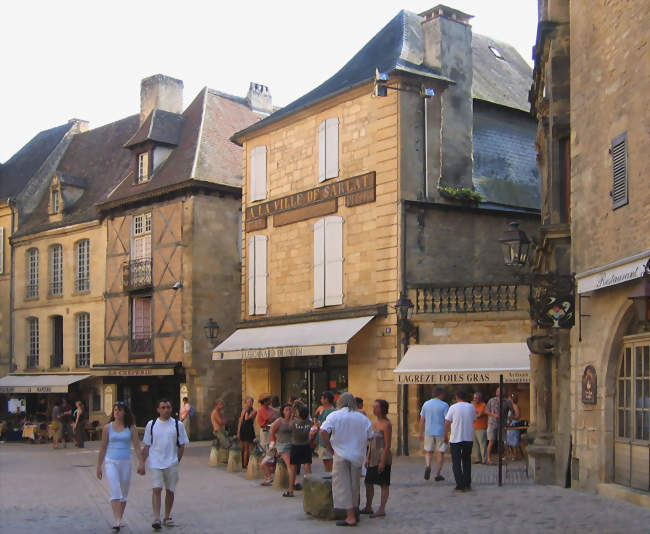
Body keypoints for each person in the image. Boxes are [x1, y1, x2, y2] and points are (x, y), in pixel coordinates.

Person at [320, 392, 373, 527]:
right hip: (357, 456)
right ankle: (355, 512)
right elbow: (371, 437)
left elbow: (323, 431)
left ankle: (350, 516)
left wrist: (329, 446)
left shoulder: (335, 416)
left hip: (341, 454)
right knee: (354, 485)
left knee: (343, 486)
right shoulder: (362, 418)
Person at [96, 402, 145, 532]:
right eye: (115, 410)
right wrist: (99, 466)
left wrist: (141, 462)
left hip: (125, 462)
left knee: (123, 493)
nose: (117, 412)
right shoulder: (107, 427)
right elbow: (103, 447)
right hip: (111, 461)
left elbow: (136, 445)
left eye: (120, 410)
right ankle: (117, 521)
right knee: (114, 490)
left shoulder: (131, 427)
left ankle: (119, 517)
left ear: (125, 412)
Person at [142, 398, 190, 530]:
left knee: (170, 490)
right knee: (156, 489)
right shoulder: (151, 425)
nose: (166, 410)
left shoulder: (177, 425)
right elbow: (146, 445)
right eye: (163, 407)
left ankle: (167, 516)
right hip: (156, 462)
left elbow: (182, 444)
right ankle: (156, 517)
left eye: (168, 407)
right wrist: (142, 462)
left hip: (171, 462)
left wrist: (177, 460)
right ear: (158, 409)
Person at [361, 399, 392, 518]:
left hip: (382, 456)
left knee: (384, 483)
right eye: (373, 407)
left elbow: (387, 445)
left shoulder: (386, 424)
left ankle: (382, 508)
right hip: (373, 456)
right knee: (368, 482)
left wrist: (383, 462)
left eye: (376, 407)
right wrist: (367, 457)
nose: (374, 409)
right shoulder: (373, 423)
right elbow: (371, 442)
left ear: (382, 409)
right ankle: (368, 506)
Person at [444, 387, 476, 493]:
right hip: (468, 437)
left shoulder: (453, 407)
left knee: (456, 462)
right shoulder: (471, 407)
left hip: (455, 438)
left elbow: (447, 422)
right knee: (466, 461)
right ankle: (467, 483)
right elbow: (474, 419)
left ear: (457, 397)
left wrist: (445, 435)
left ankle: (459, 485)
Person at [418, 386, 449, 481]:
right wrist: (446, 434)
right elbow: (447, 420)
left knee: (429, 451)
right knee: (441, 452)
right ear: (441, 394)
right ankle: (437, 474)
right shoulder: (444, 405)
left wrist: (421, 433)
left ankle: (428, 465)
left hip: (428, 431)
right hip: (440, 431)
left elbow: (422, 420)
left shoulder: (426, 404)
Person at [285, 404, 312, 497]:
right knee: (307, 467)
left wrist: (292, 414)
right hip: (306, 445)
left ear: (299, 414)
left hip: (296, 446)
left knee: (293, 469)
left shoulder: (294, 423)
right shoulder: (309, 423)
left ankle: (290, 490)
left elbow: (289, 424)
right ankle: (311, 489)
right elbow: (308, 416)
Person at [486, 386, 514, 464]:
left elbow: (512, 412)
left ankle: (501, 458)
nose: (497, 392)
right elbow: (486, 411)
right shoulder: (491, 400)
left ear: (503, 392)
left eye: (499, 391)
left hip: (502, 424)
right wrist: (493, 415)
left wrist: (509, 421)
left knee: (502, 441)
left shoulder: (507, 402)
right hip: (492, 423)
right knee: (491, 441)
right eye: (497, 390)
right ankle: (488, 459)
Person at [268, 403, 293, 493]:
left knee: (294, 465)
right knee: (290, 465)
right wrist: (274, 443)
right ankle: (293, 485)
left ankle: (292, 482)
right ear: (282, 411)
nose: (289, 411)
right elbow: (272, 431)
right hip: (283, 445)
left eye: (290, 409)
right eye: (286, 409)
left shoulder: (292, 420)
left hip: (292, 444)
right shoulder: (279, 421)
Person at [257, 393, 277, 485]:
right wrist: (272, 418)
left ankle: (268, 475)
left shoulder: (270, 409)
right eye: (268, 400)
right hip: (265, 431)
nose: (270, 401)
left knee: (270, 450)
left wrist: (272, 418)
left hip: (270, 430)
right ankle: (268, 475)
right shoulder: (261, 410)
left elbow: (274, 417)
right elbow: (269, 418)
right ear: (264, 401)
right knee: (267, 449)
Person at [314, 391, 336, 473]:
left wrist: (320, 425)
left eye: (322, 398)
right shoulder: (321, 409)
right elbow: (315, 416)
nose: (321, 400)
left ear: (326, 399)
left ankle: (330, 480)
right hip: (321, 439)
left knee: (328, 462)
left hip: (327, 440)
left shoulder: (333, 412)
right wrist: (315, 422)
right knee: (325, 461)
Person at [237, 396, 257, 468]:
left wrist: (248, 411)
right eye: (248, 402)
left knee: (250, 447)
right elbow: (241, 421)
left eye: (250, 402)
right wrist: (238, 431)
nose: (249, 404)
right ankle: (244, 463)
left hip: (249, 429)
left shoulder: (254, 411)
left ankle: (249, 463)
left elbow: (247, 418)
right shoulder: (243, 411)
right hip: (243, 429)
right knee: (244, 447)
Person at [472, 392, 488, 464]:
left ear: (480, 398)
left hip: (481, 427)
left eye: (476, 398)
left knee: (482, 444)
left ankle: (484, 459)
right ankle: (477, 459)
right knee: (475, 444)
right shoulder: (472, 405)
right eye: (474, 398)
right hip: (473, 427)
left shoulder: (483, 405)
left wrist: (474, 414)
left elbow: (479, 415)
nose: (474, 399)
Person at [506, 393, 522, 460]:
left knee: (514, 442)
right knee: (508, 442)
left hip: (514, 425)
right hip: (509, 425)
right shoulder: (510, 406)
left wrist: (511, 417)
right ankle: (511, 454)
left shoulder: (515, 406)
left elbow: (518, 416)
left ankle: (515, 455)